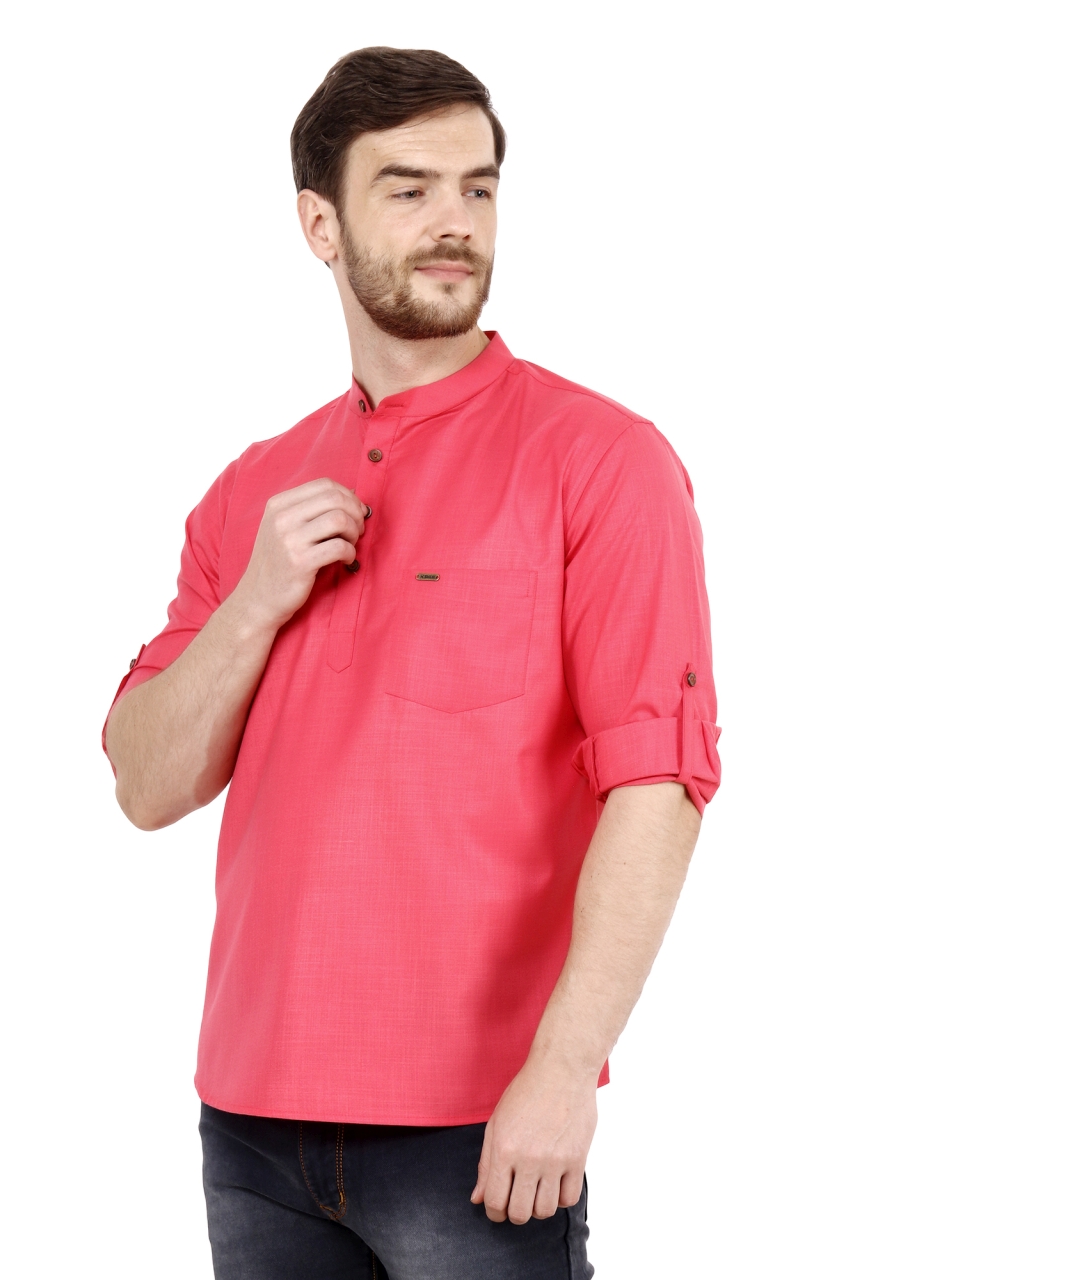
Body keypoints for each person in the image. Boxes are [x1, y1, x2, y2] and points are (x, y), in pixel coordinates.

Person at [104, 45, 721, 1280]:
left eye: (477, 188)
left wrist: (563, 1069)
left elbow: (656, 784)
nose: (455, 222)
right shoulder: (249, 489)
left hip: (477, 1124)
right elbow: (145, 781)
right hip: (249, 1119)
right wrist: (256, 602)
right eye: (409, 189)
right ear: (319, 225)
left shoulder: (602, 460)